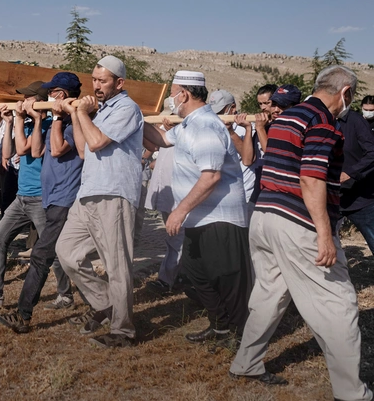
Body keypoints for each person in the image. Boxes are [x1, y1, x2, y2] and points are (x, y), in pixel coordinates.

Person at [230, 66, 373, 400]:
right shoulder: (322, 123)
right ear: (346, 93)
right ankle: (351, 392)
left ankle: (247, 362)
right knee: (337, 304)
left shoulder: (286, 118)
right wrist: (325, 234)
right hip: (298, 223)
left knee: (268, 294)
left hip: (265, 217)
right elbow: (311, 179)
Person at [144, 71, 251, 346]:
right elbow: (162, 140)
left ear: (185, 95)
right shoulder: (189, 124)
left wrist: (179, 211)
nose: (170, 98)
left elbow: (211, 176)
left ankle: (239, 338)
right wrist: (137, 117)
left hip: (219, 217)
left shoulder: (205, 127)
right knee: (196, 275)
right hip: (199, 217)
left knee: (227, 280)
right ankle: (220, 326)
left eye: (173, 92)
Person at [55, 55, 143, 349]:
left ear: (119, 83)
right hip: (89, 192)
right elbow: (82, 150)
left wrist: (80, 111)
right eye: (94, 80)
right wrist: (79, 114)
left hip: (114, 193)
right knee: (66, 251)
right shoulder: (100, 110)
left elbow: (97, 143)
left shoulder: (128, 108)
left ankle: (123, 330)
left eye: (102, 81)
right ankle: (105, 303)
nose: (96, 86)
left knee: (116, 264)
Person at [0, 72, 84, 333]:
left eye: (52, 92)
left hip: (64, 199)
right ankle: (101, 306)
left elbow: (55, 149)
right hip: (52, 198)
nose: (49, 96)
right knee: (63, 256)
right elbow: (25, 151)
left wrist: (52, 118)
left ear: (61, 95)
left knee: (44, 256)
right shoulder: (62, 119)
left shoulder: (71, 123)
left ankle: (24, 315)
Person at [0, 81, 51, 309]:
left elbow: (26, 150)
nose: (22, 102)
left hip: (42, 198)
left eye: (27, 98)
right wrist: (10, 122)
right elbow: (8, 153)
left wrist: (23, 119)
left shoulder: (49, 125)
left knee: (53, 250)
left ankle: (65, 294)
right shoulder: (28, 124)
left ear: (39, 101)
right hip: (22, 197)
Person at [145, 97, 185, 293]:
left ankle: (169, 280)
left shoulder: (187, 132)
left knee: (178, 240)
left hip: (179, 195)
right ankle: (173, 277)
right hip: (166, 193)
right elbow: (153, 147)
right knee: (172, 239)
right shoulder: (167, 134)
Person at [338, 97, 374, 254]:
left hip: (360, 199)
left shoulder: (356, 121)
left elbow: (371, 153)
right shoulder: (319, 120)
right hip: (329, 197)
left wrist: (350, 173)